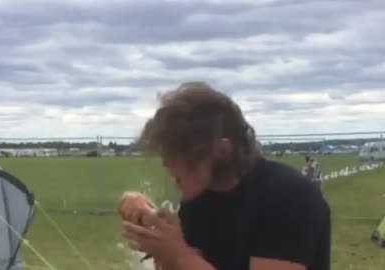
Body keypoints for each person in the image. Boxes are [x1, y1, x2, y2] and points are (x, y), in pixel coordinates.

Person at [120, 82, 331, 270]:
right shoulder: (200, 199)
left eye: (178, 151)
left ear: (221, 150)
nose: (166, 161)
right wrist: (160, 243)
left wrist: (178, 255)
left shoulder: (288, 198)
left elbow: (186, 260)